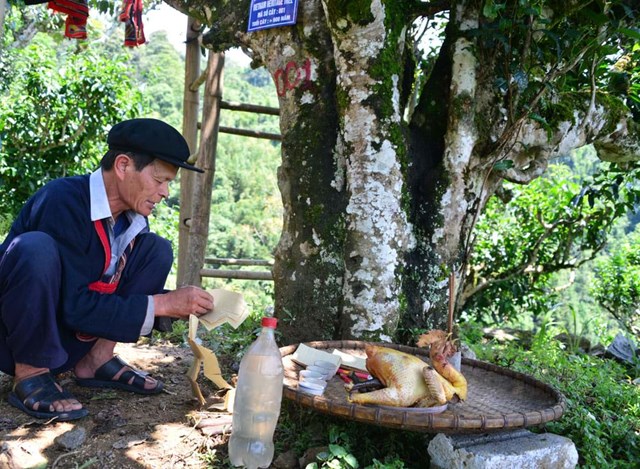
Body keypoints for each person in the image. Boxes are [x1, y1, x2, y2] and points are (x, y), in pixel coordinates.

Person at [0, 118, 214, 421]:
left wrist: (175, 304)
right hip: (18, 337)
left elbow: (102, 287)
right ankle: (31, 372)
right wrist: (163, 303)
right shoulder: (63, 201)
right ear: (124, 165)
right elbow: (71, 305)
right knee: (35, 248)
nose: (165, 192)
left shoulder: (133, 219)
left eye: (169, 182)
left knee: (156, 250)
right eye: (159, 179)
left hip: (76, 336)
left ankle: (94, 360)